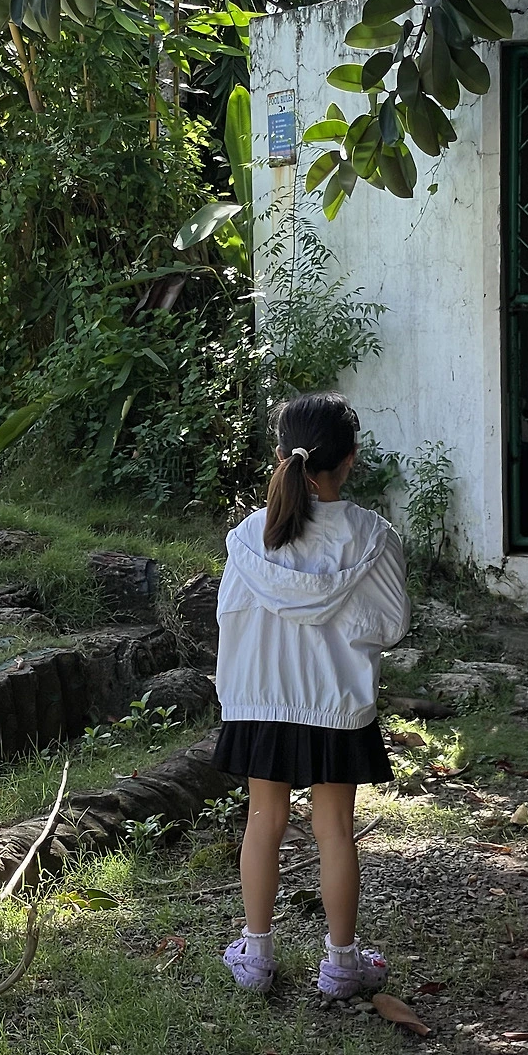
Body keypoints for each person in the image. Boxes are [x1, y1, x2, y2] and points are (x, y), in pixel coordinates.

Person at [213, 392, 411, 998]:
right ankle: (343, 965)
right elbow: (393, 624)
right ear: (350, 459)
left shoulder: (249, 538)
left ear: (281, 456)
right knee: (335, 830)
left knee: (262, 821)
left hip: (261, 699)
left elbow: (229, 617)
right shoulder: (372, 536)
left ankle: (256, 956)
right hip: (336, 702)